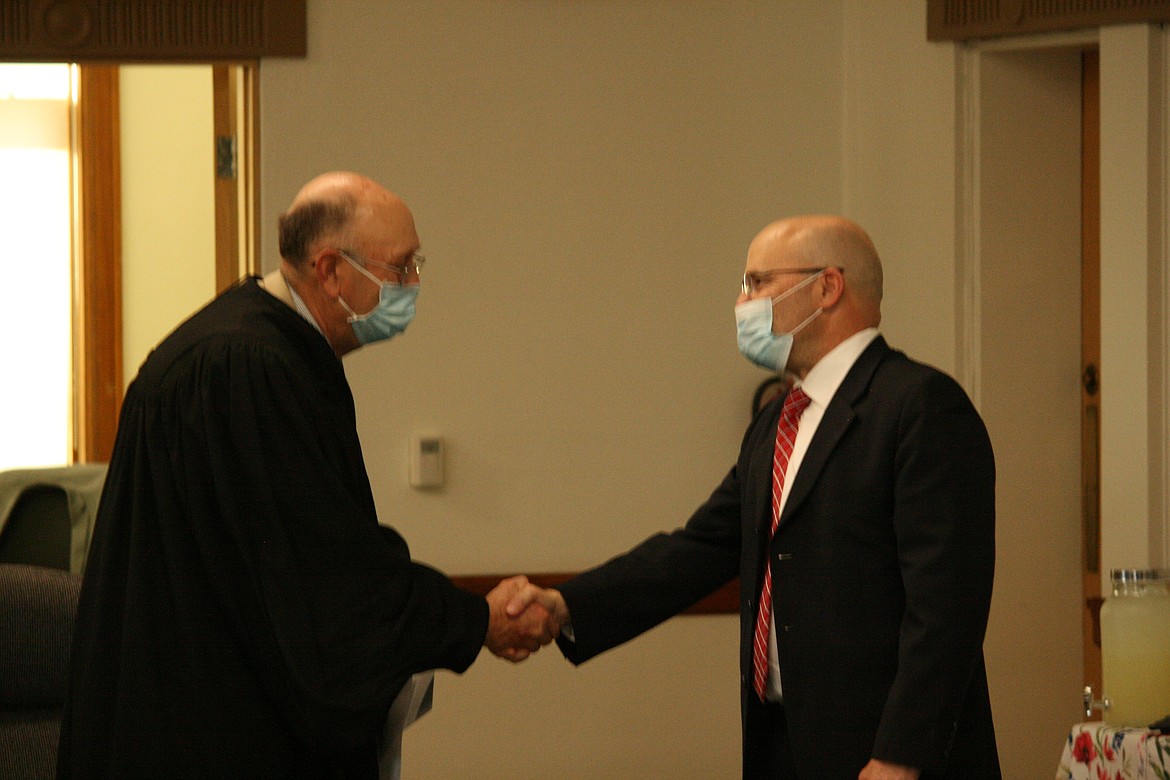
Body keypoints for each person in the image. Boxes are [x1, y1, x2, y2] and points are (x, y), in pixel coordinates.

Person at [57, 172, 556, 779]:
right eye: (400, 268)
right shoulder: (250, 368)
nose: (414, 285)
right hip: (205, 731)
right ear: (330, 270)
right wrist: (475, 620)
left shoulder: (261, 347)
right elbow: (324, 582)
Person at [510, 216, 1000, 779]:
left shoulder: (919, 406)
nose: (742, 301)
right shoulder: (778, 420)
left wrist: (901, 753)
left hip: (886, 755)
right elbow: (699, 549)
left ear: (827, 287)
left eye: (757, 281)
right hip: (783, 744)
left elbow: (947, 605)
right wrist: (565, 605)